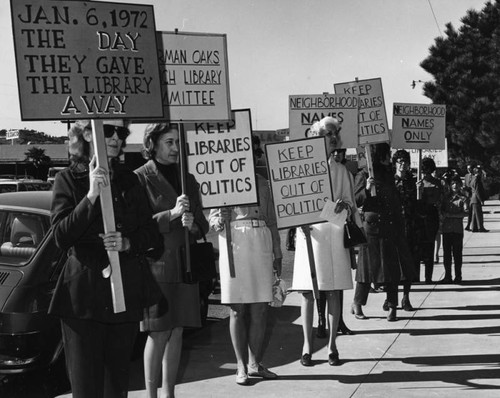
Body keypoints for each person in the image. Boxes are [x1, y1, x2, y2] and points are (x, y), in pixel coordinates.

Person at [49, 120, 163, 398]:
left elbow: (152, 238)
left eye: (121, 132)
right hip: (82, 301)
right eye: (108, 130)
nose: (115, 137)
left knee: (116, 388)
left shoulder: (129, 179)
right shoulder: (68, 179)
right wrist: (91, 195)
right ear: (87, 133)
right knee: (86, 388)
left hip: (122, 297)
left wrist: (128, 243)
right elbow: (61, 236)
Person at [135, 123, 209, 398]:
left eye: (178, 142)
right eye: (169, 142)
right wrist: (172, 214)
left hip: (185, 263)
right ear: (152, 144)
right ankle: (151, 394)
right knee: (158, 332)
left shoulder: (187, 178)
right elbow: (136, 227)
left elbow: (202, 224)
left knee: (177, 330)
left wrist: (192, 225)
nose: (176, 148)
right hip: (157, 265)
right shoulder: (140, 178)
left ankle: (169, 394)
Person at [208, 134, 282, 385]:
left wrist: (278, 252)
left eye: (255, 152)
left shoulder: (264, 184)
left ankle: (255, 363)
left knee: (260, 308)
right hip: (234, 244)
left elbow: (272, 220)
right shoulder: (222, 183)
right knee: (237, 308)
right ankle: (240, 365)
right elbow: (213, 220)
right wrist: (220, 219)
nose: (251, 157)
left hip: (260, 240)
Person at [291, 117, 359, 367]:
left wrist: (340, 208)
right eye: (328, 133)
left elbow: (350, 205)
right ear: (316, 136)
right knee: (307, 294)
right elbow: (291, 202)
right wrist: (300, 219)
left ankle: (332, 346)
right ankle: (307, 347)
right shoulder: (301, 168)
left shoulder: (341, 170)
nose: (332, 137)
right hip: (308, 235)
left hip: (333, 235)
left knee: (333, 291)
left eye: (335, 133)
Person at [351, 143, 414, 322]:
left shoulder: (388, 175)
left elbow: (394, 200)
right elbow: (355, 200)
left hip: (390, 226)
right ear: (379, 156)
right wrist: (366, 189)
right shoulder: (364, 174)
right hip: (371, 227)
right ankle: (357, 303)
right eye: (386, 154)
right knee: (366, 269)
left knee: (391, 269)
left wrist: (399, 226)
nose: (389, 158)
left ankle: (392, 306)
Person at [392, 149, 418, 310]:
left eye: (405, 162)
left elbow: (419, 206)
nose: (403, 164)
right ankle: (391, 298)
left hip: (409, 228)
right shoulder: (389, 182)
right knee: (393, 266)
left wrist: (419, 192)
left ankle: (406, 297)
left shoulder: (413, 182)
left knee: (409, 265)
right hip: (393, 229)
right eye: (400, 161)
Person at [416, 157, 443, 283]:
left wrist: (424, 192)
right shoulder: (416, 182)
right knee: (417, 247)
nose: (424, 173)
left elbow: (436, 199)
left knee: (429, 247)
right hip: (417, 215)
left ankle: (428, 277)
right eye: (422, 170)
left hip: (431, 215)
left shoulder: (436, 183)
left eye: (426, 171)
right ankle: (415, 276)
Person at [440, 175, 469, 283]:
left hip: (457, 230)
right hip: (447, 230)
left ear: (460, 185)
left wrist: (451, 215)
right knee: (447, 255)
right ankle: (447, 276)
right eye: (452, 183)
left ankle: (458, 276)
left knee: (457, 255)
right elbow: (442, 211)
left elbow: (466, 213)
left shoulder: (463, 198)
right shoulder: (446, 198)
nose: (455, 185)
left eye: (457, 183)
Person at [469, 165, 488, 232]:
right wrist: (481, 200)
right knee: (479, 214)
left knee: (474, 214)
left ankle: (474, 228)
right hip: (476, 199)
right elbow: (478, 191)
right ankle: (480, 227)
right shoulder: (477, 179)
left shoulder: (473, 178)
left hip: (473, 198)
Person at [464, 164, 473, 231]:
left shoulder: (475, 176)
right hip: (467, 195)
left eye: (470, 168)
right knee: (469, 211)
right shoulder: (466, 176)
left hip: (473, 195)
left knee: (473, 212)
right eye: (467, 168)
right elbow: (465, 184)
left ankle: (472, 225)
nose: (468, 170)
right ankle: (468, 225)